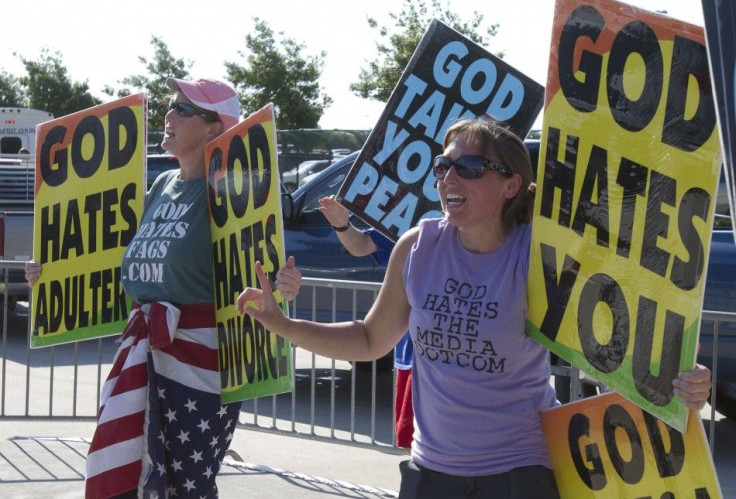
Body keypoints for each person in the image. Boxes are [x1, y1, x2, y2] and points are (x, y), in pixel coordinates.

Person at [236, 117, 712, 498]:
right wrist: (284, 324)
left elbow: (626, 341)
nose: (448, 178)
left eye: (469, 167)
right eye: (443, 166)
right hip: (431, 474)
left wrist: (684, 378)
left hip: (519, 475)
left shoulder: (540, 256)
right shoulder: (416, 246)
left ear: (511, 185)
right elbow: (367, 338)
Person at [26, 77, 303, 498]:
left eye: (183, 109)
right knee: (134, 480)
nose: (168, 116)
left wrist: (286, 283)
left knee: (185, 488)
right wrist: (49, 274)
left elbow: (259, 272)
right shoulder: (161, 186)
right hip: (145, 352)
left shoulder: (229, 190)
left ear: (215, 128)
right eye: (171, 105)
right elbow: (126, 265)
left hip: (202, 366)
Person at [318, 195, 414, 448]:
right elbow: (361, 245)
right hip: (413, 359)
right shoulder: (414, 223)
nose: (448, 176)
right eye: (441, 168)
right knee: (420, 453)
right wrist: (342, 224)